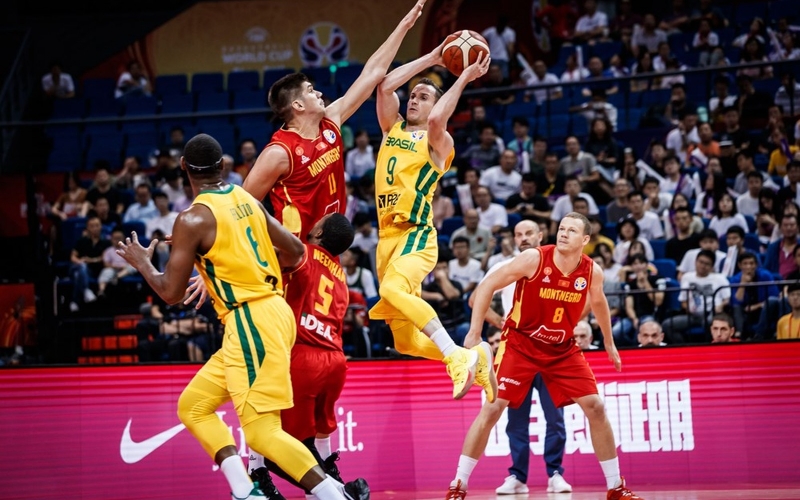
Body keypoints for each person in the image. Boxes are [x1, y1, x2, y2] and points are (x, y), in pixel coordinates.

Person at [115, 133, 347, 500]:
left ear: (183, 167)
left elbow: (171, 293)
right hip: (269, 313)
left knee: (262, 433)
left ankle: (335, 496)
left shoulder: (192, 219)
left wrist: (144, 263)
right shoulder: (245, 198)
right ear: (223, 166)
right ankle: (244, 490)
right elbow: (294, 251)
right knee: (193, 406)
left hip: (251, 319)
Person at [446, 212, 644, 500]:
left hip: (561, 348)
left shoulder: (592, 271)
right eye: (561, 228)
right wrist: (474, 333)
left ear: (585, 240)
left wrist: (609, 341)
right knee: (492, 409)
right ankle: (458, 484)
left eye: (572, 230)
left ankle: (616, 487)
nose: (563, 233)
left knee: (596, 407)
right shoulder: (533, 259)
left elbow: (599, 302)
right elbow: (486, 286)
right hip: (520, 345)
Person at [366, 40, 496, 402]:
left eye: (423, 97)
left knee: (390, 292)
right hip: (385, 240)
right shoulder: (391, 129)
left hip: (416, 235)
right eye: (413, 95)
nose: (413, 100)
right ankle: (474, 356)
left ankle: (456, 356)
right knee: (405, 342)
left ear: (436, 104)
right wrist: (434, 57)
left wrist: (464, 77)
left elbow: (438, 118)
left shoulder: (439, 142)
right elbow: (385, 85)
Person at [242, 1, 427, 242]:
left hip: (329, 245)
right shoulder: (279, 152)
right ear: (298, 106)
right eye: (311, 91)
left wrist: (405, 25)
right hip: (297, 251)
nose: (319, 93)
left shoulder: (330, 121)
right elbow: (241, 205)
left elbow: (372, 74)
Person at [244, 214, 369, 499]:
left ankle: (338, 491)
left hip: (303, 354)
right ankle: (330, 482)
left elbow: (261, 253)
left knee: (276, 444)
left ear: (320, 232)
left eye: (320, 220)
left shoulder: (302, 252)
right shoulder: (340, 272)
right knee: (308, 439)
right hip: (335, 359)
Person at [471, 220, 573, 495]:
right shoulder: (505, 266)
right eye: (518, 234)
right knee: (516, 419)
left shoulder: (560, 265)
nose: (524, 238)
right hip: (517, 351)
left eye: (529, 233)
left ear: (541, 235)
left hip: (550, 350)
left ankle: (555, 473)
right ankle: (517, 475)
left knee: (555, 417)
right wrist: (500, 322)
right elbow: (475, 298)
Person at [68, 216, 110, 312]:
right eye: (92, 226)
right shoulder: (81, 241)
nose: (95, 228)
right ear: (87, 228)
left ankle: (75, 301)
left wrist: (90, 260)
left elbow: (104, 258)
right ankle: (86, 290)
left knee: (77, 275)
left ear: (101, 226)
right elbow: (73, 256)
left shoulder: (106, 242)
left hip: (96, 270)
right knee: (81, 268)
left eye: (97, 225)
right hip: (80, 266)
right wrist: (80, 262)